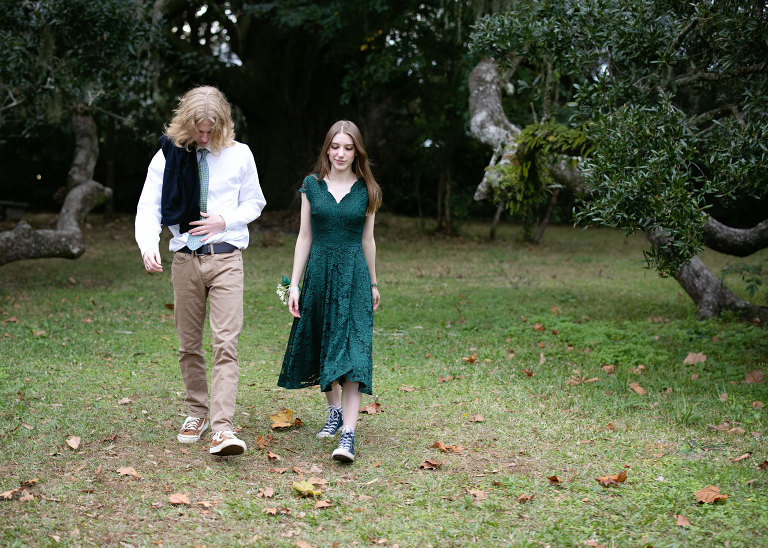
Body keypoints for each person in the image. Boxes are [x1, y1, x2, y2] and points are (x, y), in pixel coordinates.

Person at [135, 86, 266, 456]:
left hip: (226, 258)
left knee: (226, 343)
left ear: (223, 124)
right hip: (185, 260)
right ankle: (197, 412)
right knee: (188, 345)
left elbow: (255, 202)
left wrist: (225, 220)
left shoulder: (239, 154)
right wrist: (148, 245)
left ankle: (223, 429)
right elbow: (148, 206)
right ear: (186, 124)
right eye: (199, 130)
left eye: (211, 130)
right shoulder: (168, 156)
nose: (205, 138)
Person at [278, 120, 381, 463]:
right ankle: (334, 412)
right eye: (335, 146)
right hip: (320, 273)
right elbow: (304, 236)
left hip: (354, 276)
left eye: (348, 147)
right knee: (326, 343)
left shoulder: (368, 189)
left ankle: (348, 435)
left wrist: (374, 283)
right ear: (327, 149)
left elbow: (368, 240)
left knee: (353, 354)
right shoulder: (311, 185)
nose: (340, 153)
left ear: (357, 152)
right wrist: (295, 284)